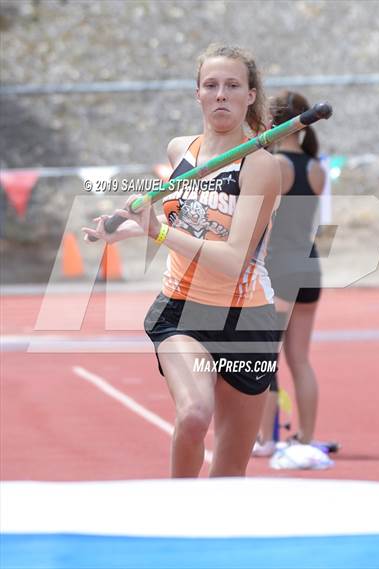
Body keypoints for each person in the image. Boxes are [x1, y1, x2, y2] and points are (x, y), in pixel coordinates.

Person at [83, 44, 282, 478]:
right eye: (211, 86)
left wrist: (156, 231)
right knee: (194, 415)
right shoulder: (180, 150)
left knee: (229, 474)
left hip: (247, 319)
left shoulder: (262, 167)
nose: (221, 95)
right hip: (183, 309)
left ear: (250, 95)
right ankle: (175, 517)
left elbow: (232, 260)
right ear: (198, 94)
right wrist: (125, 226)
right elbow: (181, 219)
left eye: (233, 86)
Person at [252, 90, 326, 457]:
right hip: (310, 265)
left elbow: (263, 223)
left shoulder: (275, 166)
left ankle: (266, 439)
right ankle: (306, 438)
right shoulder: (317, 169)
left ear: (274, 122)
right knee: (300, 358)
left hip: (280, 266)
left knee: (265, 353)